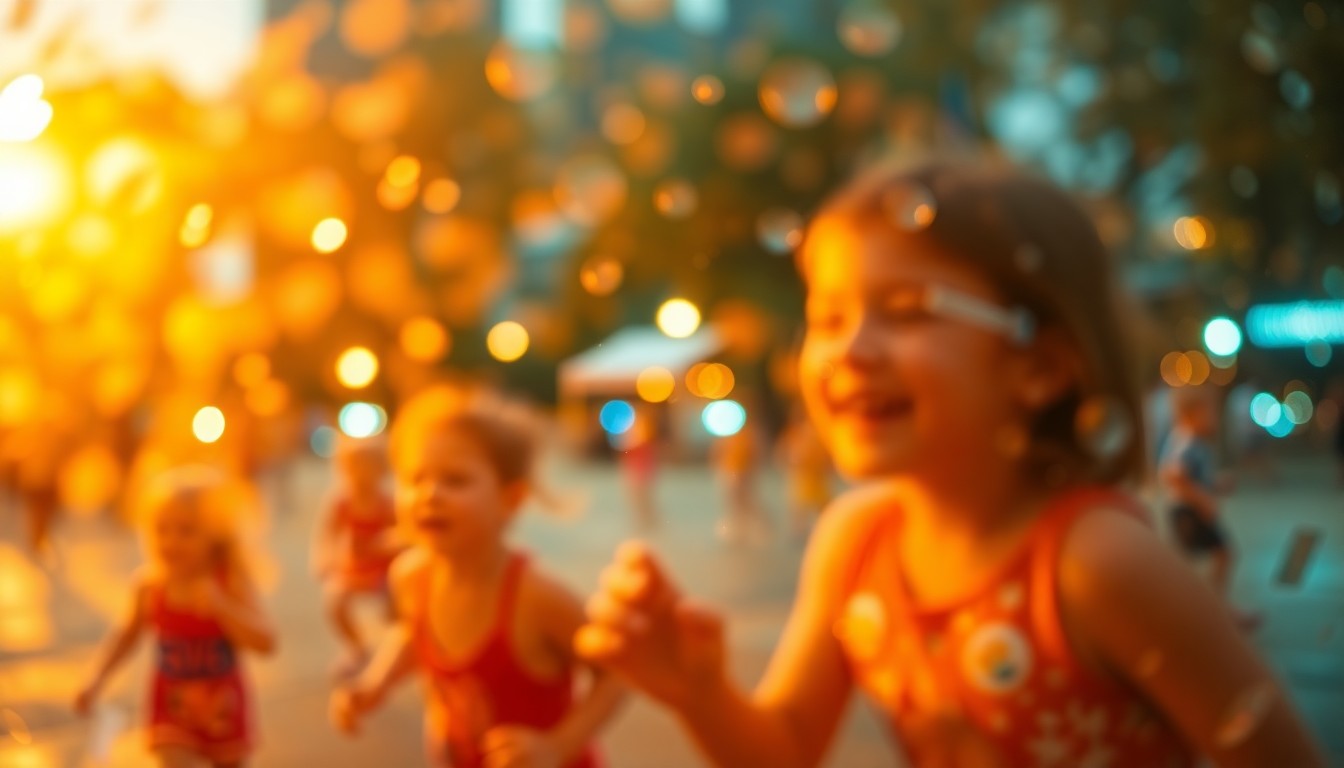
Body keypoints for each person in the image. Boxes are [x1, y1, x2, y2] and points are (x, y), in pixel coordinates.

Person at [574, 161, 1325, 766]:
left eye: (907, 312)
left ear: (1039, 367)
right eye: (827, 318)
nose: (849, 351)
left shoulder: (1094, 564)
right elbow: (784, 748)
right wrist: (701, 691)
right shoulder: (856, 542)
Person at [330, 384, 624, 767]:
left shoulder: (535, 597)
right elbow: (413, 633)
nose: (430, 494)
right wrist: (375, 683)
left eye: (454, 480)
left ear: (510, 499)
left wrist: (557, 745)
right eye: (415, 479)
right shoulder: (410, 577)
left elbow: (615, 672)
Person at [74, 466, 277, 767]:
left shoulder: (230, 582)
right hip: (171, 708)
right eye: (162, 529)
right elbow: (125, 636)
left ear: (215, 534)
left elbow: (267, 643)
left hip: (224, 708)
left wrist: (222, 607)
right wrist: (96, 679)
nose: (171, 541)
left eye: (186, 530)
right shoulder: (150, 587)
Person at [1160, 385, 1257, 629]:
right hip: (1188, 513)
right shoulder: (1187, 441)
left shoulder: (1195, 441)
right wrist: (1202, 499)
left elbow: (1193, 476)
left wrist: (1215, 484)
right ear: (1191, 414)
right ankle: (1213, 610)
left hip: (1189, 511)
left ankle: (1209, 608)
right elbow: (1172, 475)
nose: (1215, 419)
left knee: (1204, 559)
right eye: (1210, 412)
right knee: (1221, 554)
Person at [312, 434, 403, 678]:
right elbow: (327, 536)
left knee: (397, 612)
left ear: (381, 470)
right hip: (354, 569)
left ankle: (395, 657)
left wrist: (383, 544)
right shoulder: (341, 502)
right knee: (335, 602)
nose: (361, 476)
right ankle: (357, 649)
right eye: (354, 468)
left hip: (386, 571)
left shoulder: (387, 503)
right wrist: (325, 560)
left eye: (368, 468)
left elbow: (405, 537)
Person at [775, 408, 833, 537]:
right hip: (802, 476)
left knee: (819, 506)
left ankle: (820, 530)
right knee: (800, 506)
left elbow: (825, 454)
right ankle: (800, 531)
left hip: (814, 476)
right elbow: (785, 452)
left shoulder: (815, 433)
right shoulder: (795, 434)